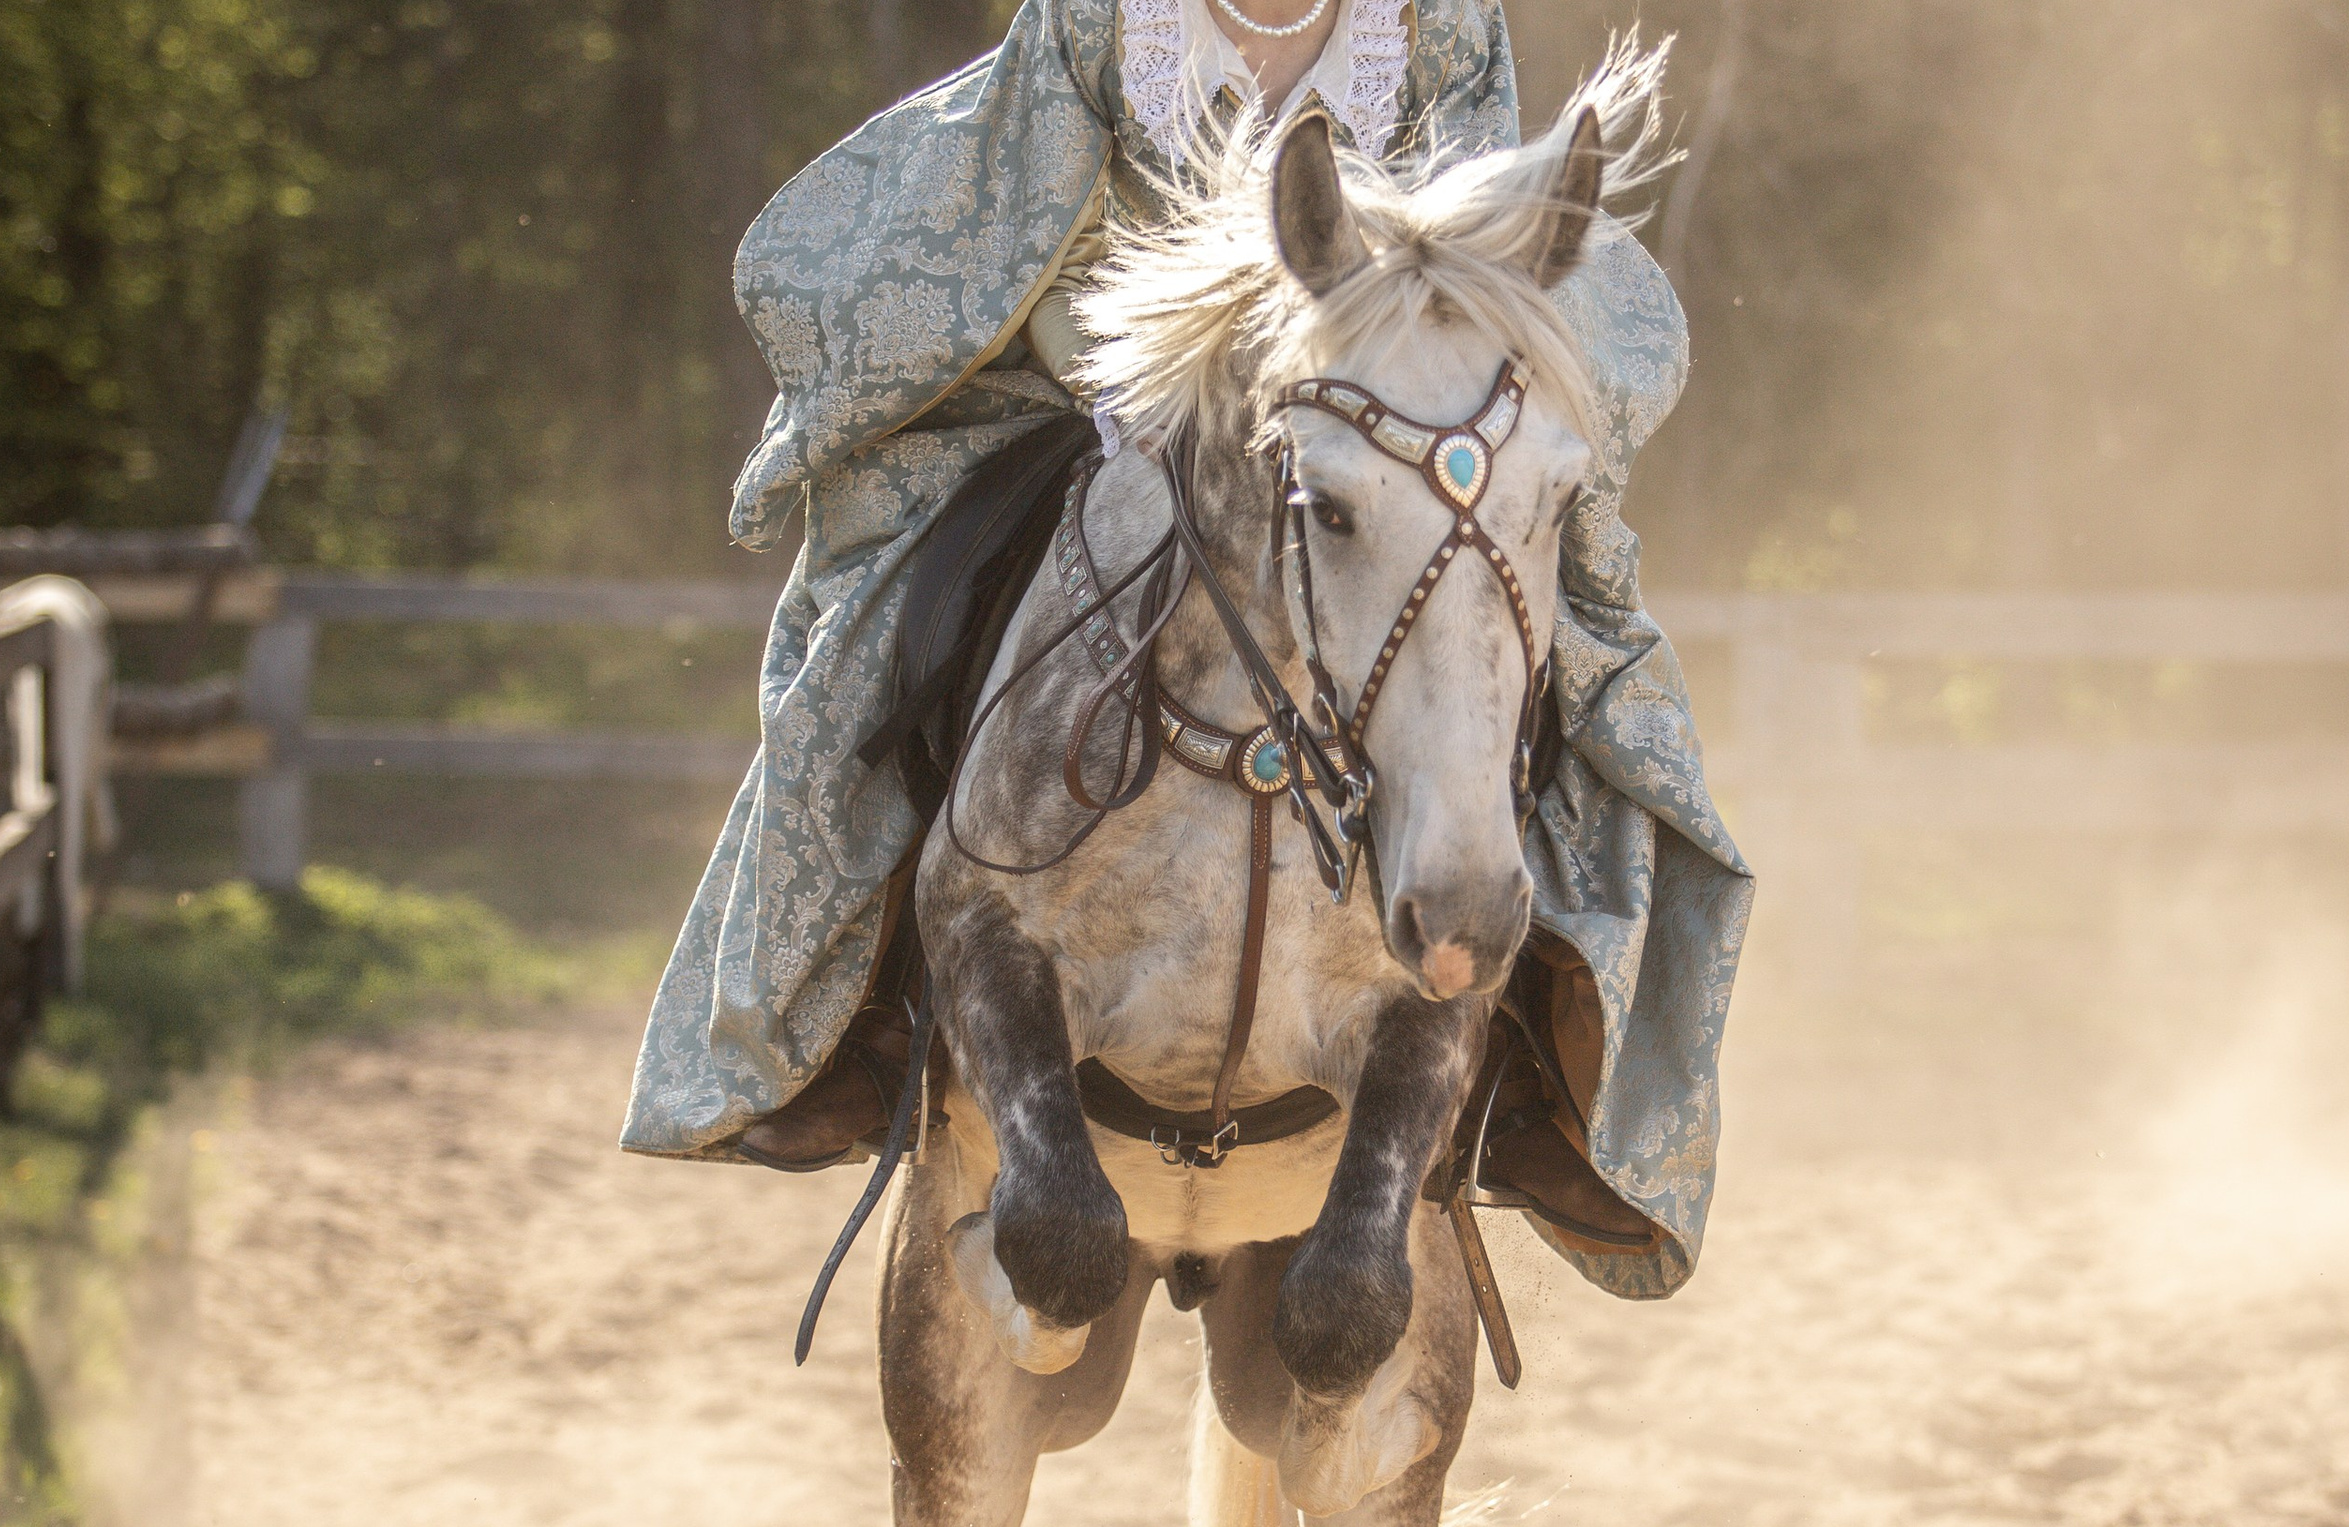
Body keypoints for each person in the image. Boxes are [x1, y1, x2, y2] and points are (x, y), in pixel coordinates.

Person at [620, 0, 1754, 1302]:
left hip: (1367, 411)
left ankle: (1551, 1073)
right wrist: (1135, 371)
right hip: (1108, 388)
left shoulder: (1439, 22)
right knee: (890, 613)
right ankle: (857, 1015)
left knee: (1565, 646)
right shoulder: (1100, 20)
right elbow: (999, 219)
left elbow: (1473, 250)